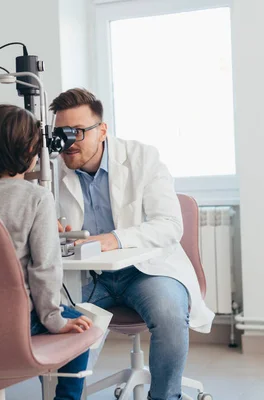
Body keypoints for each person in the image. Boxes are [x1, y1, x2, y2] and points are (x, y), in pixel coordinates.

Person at [51, 88, 215, 400]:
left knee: (168, 312)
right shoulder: (52, 170)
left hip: (145, 271)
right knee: (55, 312)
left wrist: (115, 239)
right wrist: (50, 227)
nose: (68, 142)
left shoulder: (142, 158)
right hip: (87, 277)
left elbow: (169, 224)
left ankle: (165, 397)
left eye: (78, 132)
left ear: (102, 131)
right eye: (61, 133)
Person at [0, 104, 93, 400]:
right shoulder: (37, 198)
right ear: (32, 151)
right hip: (18, 319)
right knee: (83, 329)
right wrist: (55, 320)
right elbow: (44, 270)